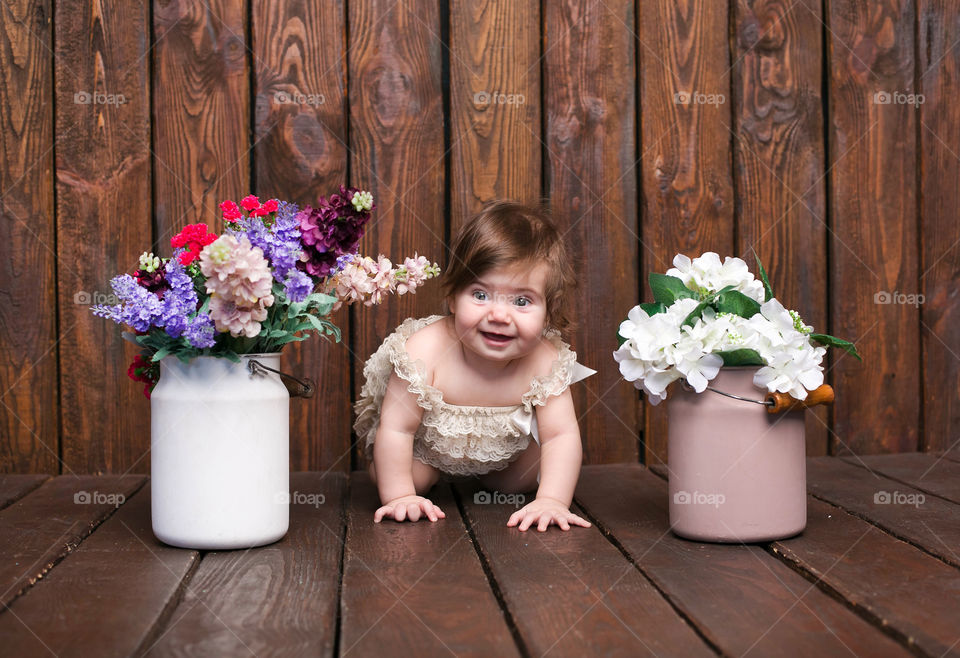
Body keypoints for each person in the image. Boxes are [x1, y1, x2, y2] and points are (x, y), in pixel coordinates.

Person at [354, 200, 595, 531]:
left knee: (517, 483)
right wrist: (399, 497)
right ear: (452, 297)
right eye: (480, 295)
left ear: (548, 313)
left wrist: (552, 500)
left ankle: (498, 478)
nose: (498, 315)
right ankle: (407, 482)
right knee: (408, 478)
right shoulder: (424, 351)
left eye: (522, 301)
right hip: (428, 446)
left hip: (502, 450)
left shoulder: (545, 360)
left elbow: (560, 436)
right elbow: (397, 428)